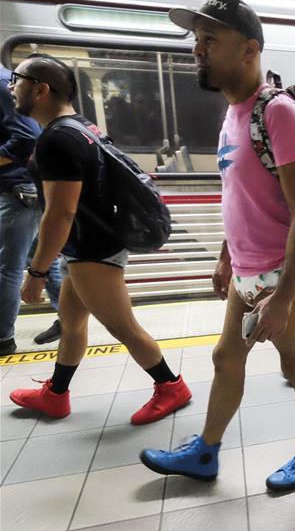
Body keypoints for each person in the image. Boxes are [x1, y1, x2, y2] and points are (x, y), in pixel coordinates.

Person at [140, 0, 295, 492]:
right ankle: (206, 452)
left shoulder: (279, 112)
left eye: (209, 40)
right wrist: (227, 256)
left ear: (248, 49)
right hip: (247, 270)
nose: (197, 50)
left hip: (280, 273)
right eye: (196, 40)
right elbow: (240, 194)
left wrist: (285, 297)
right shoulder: (233, 112)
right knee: (227, 357)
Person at [8, 54, 191, 423]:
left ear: (41, 89)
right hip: (87, 247)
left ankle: (171, 387)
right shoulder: (80, 127)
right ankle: (56, 394)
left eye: (17, 79)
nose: (12, 87)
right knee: (73, 320)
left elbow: (61, 213)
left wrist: (37, 271)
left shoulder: (57, 140)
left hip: (93, 250)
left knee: (123, 327)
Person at [0, 65, 41, 357]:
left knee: (8, 266)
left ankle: (3, 337)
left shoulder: (2, 83)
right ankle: (68, 320)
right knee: (43, 259)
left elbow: (27, 135)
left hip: (17, 190)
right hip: (22, 188)